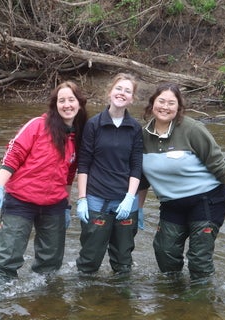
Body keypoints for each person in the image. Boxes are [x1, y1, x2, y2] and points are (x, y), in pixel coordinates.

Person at [138, 83, 225, 282]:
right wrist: (139, 207)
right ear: (152, 103)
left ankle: (201, 300)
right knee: (165, 252)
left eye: (171, 103)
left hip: (206, 200)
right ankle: (173, 297)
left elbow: (218, 163)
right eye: (161, 101)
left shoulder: (191, 129)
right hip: (171, 203)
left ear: (178, 107)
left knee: (199, 259)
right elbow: (143, 177)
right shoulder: (143, 135)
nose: (165, 107)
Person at [0, 81, 88, 286]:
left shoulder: (78, 136)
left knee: (50, 262)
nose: (67, 105)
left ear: (79, 104)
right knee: (8, 256)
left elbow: (68, 175)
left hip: (55, 205)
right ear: (55, 104)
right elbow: (13, 155)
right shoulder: (37, 125)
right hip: (21, 200)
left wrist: (67, 205)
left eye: (71, 100)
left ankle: (43, 301)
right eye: (61, 100)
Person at [75, 73, 143, 274]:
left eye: (127, 91)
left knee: (123, 259)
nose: (122, 94)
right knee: (90, 257)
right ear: (110, 92)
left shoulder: (135, 128)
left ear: (132, 99)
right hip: (96, 199)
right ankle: (85, 299)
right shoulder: (94, 124)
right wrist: (82, 199)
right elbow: (84, 164)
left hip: (125, 199)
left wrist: (131, 197)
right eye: (119, 89)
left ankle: (121, 300)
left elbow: (136, 166)